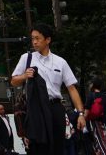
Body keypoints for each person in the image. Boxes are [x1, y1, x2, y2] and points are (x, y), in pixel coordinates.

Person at [10, 23, 86, 155]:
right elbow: (13, 81)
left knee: (57, 146)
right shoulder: (26, 58)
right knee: (37, 147)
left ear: (48, 40)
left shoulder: (60, 62)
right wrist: (24, 76)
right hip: (35, 109)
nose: (34, 42)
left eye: (38, 38)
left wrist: (80, 114)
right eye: (32, 38)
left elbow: (72, 88)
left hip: (55, 107)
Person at [82, 80, 106, 155]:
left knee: (102, 145)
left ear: (93, 85)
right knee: (103, 144)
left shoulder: (91, 96)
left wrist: (82, 121)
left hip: (96, 124)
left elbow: (86, 113)